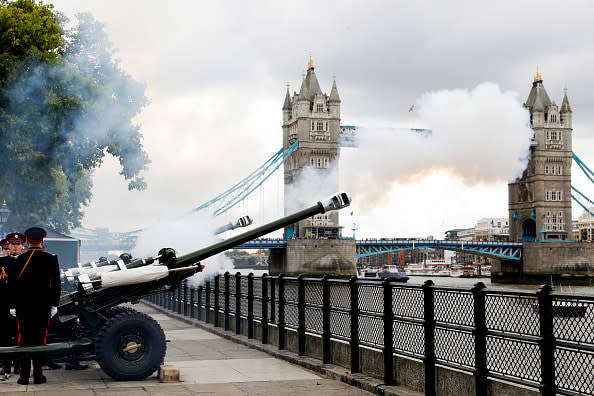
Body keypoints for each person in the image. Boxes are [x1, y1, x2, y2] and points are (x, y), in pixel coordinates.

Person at [9, 227, 60, 385]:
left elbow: (12, 285)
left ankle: (23, 377)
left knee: (23, 340)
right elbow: (56, 284)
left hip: (23, 307)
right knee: (40, 339)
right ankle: (38, 375)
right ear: (42, 241)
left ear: (28, 241)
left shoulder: (19, 260)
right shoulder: (51, 259)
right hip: (43, 307)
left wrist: (12, 305)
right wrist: (54, 305)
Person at [0, 239, 14, 378]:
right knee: (4, 338)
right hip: (2, 306)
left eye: (8, 248)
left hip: (14, 305)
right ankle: (6, 366)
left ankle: (17, 366)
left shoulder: (16, 262)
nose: (7, 251)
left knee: (16, 336)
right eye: (4, 248)